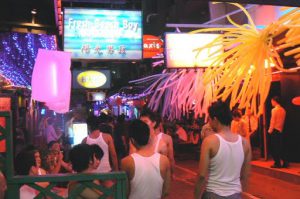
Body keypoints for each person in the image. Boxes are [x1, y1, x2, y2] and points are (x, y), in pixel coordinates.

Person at [194, 101, 251, 199]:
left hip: (213, 194)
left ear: (215, 119)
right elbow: (245, 175)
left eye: (210, 119)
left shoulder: (210, 142)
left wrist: (196, 196)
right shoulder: (245, 143)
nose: (209, 122)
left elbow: (202, 175)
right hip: (235, 195)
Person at [121, 119, 171, 199]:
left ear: (132, 140)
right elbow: (166, 191)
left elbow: (124, 191)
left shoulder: (126, 162)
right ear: (149, 137)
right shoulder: (164, 160)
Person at [132, 109, 175, 178]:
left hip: (160, 176)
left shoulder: (166, 138)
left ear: (154, 123)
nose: (142, 124)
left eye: (145, 121)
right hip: (142, 176)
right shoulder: (136, 139)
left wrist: (172, 173)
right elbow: (132, 159)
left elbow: (171, 158)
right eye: (141, 122)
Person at [268, 96, 288, 168]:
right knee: (280, 147)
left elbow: (272, 121)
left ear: (274, 101)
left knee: (273, 148)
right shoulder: (283, 110)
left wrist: (270, 131)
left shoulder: (274, 110)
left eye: (271, 101)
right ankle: (285, 162)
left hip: (274, 130)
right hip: (280, 130)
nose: (271, 103)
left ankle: (277, 163)